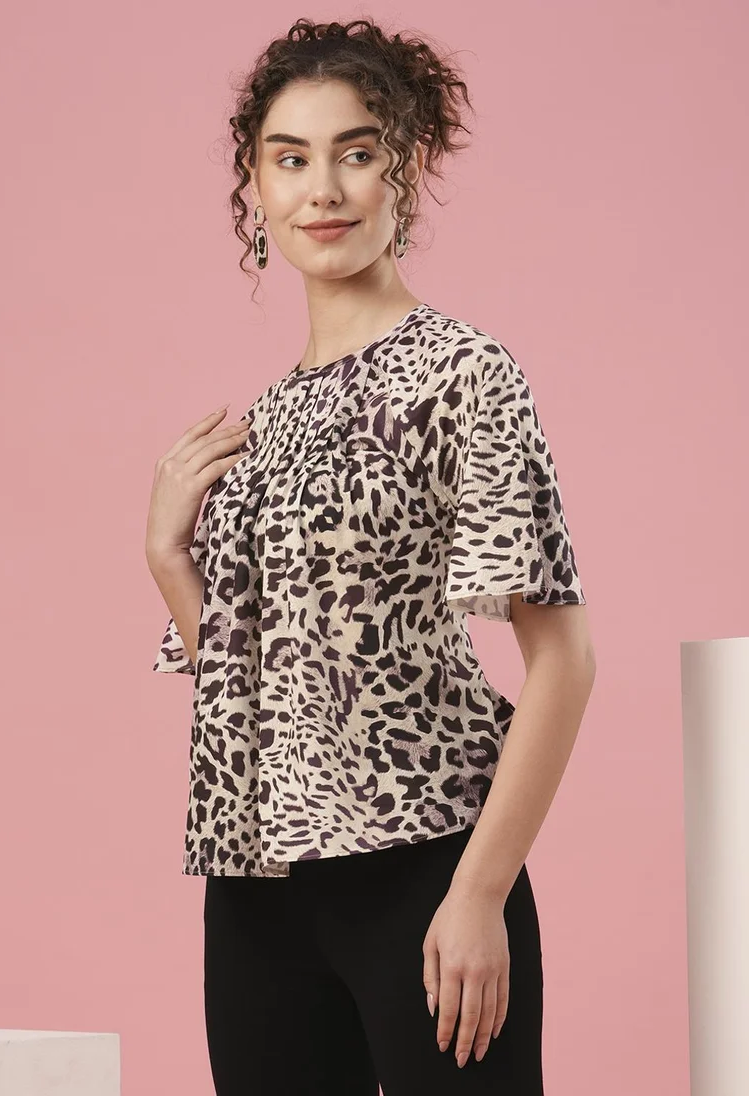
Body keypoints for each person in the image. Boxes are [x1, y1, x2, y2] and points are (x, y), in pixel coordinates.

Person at [145, 17, 596, 1096]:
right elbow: (258, 685)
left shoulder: (463, 374)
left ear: (406, 166)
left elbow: (563, 659)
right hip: (256, 893)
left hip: (422, 869)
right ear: (255, 188)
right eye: (289, 159)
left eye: (355, 151)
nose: (323, 189)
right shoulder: (266, 420)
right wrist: (168, 557)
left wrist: (479, 892)